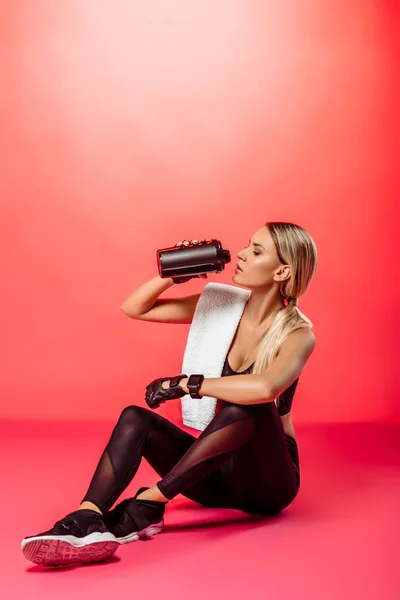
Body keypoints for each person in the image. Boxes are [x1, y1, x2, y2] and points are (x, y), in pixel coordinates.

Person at [21, 221, 317, 567]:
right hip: (213, 472)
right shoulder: (222, 307)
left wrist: (187, 384)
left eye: (256, 251)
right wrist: (176, 271)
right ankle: (88, 518)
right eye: (247, 246)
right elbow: (135, 308)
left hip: (268, 482)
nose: (241, 254)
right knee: (135, 418)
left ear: (282, 270)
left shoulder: (298, 334)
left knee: (249, 405)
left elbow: (266, 388)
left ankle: (149, 503)